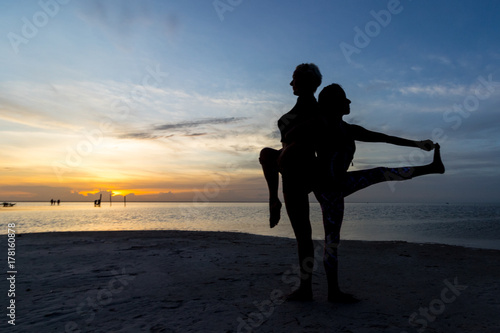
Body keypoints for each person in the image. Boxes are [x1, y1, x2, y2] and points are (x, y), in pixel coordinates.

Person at [311, 83, 445, 302]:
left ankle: (432, 168)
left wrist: (418, 144)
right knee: (332, 239)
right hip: (328, 189)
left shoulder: (350, 130)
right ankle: (333, 292)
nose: (349, 102)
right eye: (344, 98)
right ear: (334, 103)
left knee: (381, 173)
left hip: (340, 183)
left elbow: (385, 137)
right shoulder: (321, 124)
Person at [259, 63, 323, 301]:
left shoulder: (319, 113)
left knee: (303, 233)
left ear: (306, 83)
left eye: (294, 79)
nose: (291, 83)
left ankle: (305, 288)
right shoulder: (289, 116)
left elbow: (322, 145)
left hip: (305, 170)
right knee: (267, 153)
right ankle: (272, 200)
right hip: (287, 169)